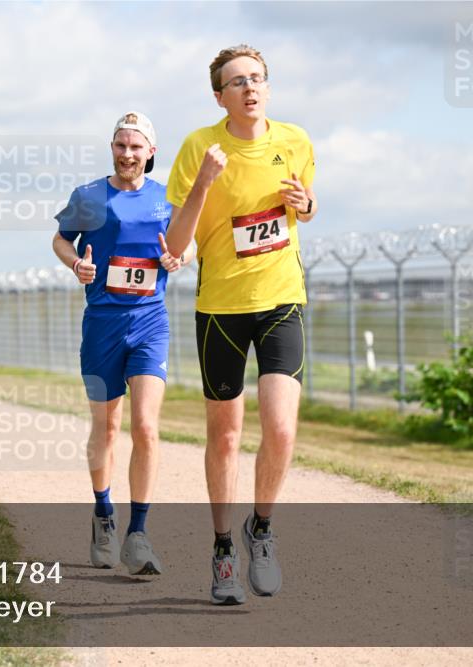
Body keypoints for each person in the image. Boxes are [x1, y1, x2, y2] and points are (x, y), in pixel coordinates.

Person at [164, 44, 318, 605]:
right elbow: (175, 243)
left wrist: (306, 204)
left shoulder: (295, 141)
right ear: (219, 97)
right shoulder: (198, 148)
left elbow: (305, 209)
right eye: (237, 82)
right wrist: (204, 182)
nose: (250, 87)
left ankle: (263, 528)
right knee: (225, 436)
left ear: (267, 88)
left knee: (280, 428)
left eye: (257, 78)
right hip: (221, 309)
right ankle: (224, 547)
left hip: (281, 300)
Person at [52, 112, 187, 576]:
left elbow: (189, 244)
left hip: (150, 323)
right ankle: (104, 514)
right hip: (102, 326)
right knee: (107, 430)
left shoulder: (168, 197)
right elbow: (60, 240)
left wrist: (179, 257)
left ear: (151, 152)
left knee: (146, 427)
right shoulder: (88, 196)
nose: (127, 154)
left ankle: (139, 533)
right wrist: (76, 264)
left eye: (135, 147)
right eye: (120, 145)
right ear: (112, 148)